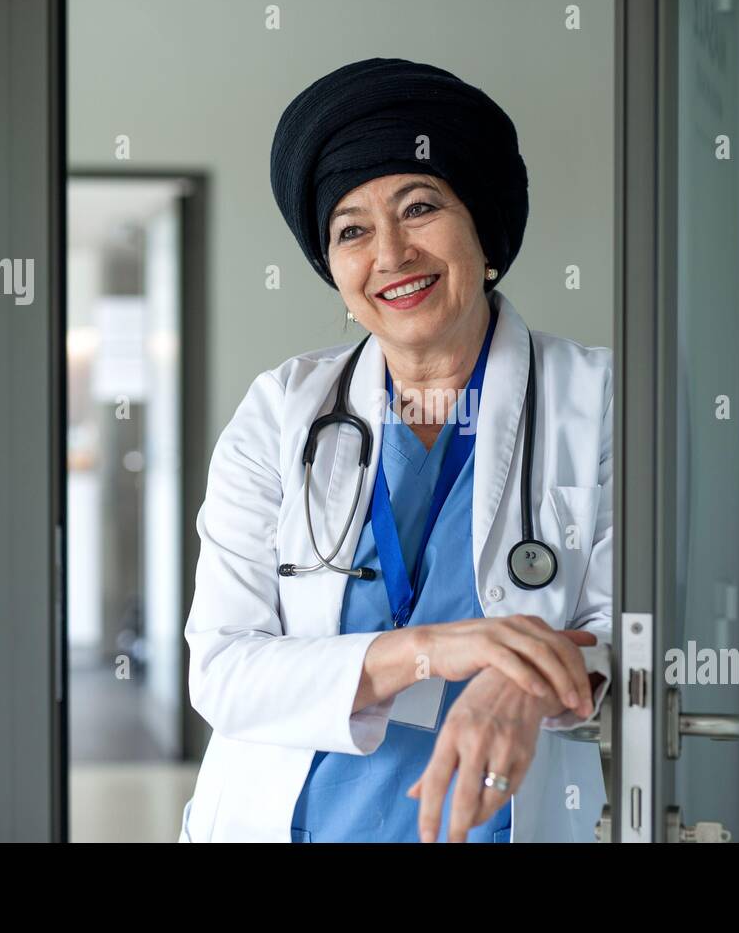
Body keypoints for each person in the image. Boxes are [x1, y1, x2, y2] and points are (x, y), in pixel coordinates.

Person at [179, 57, 613, 843]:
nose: (390, 253)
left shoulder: (601, 400)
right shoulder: (280, 412)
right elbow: (221, 668)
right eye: (351, 229)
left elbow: (628, 627)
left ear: (484, 230)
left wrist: (523, 680)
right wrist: (434, 651)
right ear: (333, 269)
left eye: (419, 207)